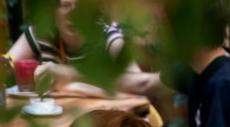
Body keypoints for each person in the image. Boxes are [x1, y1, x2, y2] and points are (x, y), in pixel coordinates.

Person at [3, 0, 161, 98]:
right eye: (65, 5)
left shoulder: (109, 37)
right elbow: (6, 63)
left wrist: (73, 85)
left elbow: (138, 87)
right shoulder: (42, 34)